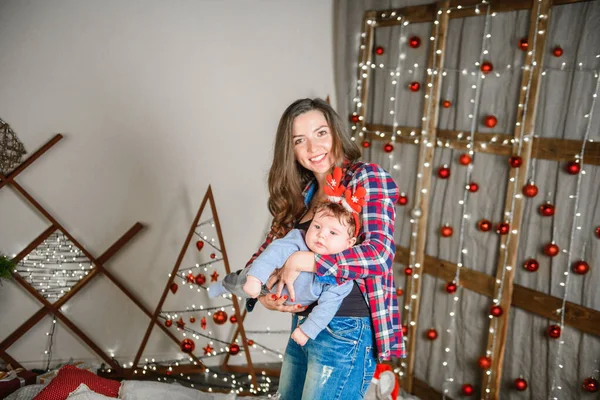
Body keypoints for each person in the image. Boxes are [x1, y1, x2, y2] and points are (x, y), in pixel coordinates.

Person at [244, 98, 405, 400]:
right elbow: (265, 253)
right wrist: (264, 294)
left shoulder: (366, 177)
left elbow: (379, 255)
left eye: (321, 133)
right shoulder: (303, 194)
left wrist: (308, 260)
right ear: (289, 150)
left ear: (336, 133)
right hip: (304, 324)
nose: (313, 148)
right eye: (299, 140)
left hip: (346, 329)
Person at [209, 187, 363, 346]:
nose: (321, 234)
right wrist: (255, 279)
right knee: (238, 282)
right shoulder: (297, 240)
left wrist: (306, 331)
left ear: (349, 243)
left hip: (283, 301)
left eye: (333, 233)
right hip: (263, 278)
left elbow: (328, 307)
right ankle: (224, 285)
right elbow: (271, 254)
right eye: (317, 226)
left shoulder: (341, 277)